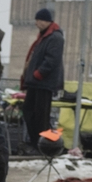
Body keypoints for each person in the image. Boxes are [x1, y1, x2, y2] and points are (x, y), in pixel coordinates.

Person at [21, 8, 64, 152]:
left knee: (41, 117)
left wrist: (38, 74)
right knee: (29, 111)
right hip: (36, 83)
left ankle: (44, 146)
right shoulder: (45, 37)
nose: (36, 23)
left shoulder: (55, 37)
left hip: (43, 83)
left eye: (38, 20)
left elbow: (52, 60)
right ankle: (37, 143)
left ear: (46, 21)